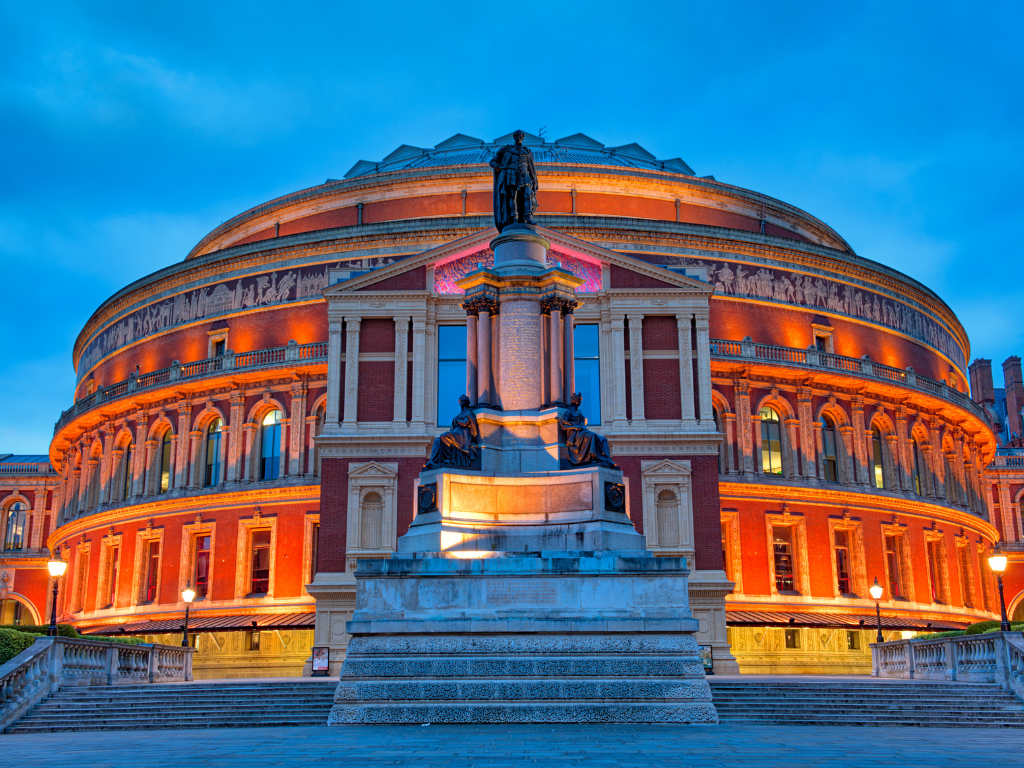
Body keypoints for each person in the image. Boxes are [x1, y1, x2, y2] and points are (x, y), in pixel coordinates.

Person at [490, 130, 538, 232]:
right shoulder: (506, 150)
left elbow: (531, 169)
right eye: (517, 136)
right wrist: (500, 167)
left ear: (523, 137)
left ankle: (528, 218)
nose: (519, 138)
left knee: (527, 194)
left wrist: (535, 181)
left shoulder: (527, 152)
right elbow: (492, 162)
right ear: (514, 137)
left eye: (521, 136)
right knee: (512, 196)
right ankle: (513, 218)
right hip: (511, 175)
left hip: (525, 176)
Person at [558, 392, 617, 468]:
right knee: (592, 436)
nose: (580, 402)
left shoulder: (580, 413)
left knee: (603, 439)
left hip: (583, 432)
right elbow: (563, 426)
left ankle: (608, 460)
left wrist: (581, 428)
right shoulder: (568, 412)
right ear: (574, 400)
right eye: (579, 400)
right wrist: (575, 427)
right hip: (575, 435)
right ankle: (592, 456)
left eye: (580, 400)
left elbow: (583, 426)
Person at [426, 395, 479, 468]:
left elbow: (465, 423)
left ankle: (447, 459)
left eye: (462, 401)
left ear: (466, 402)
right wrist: (454, 422)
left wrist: (456, 420)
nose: (460, 402)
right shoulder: (459, 414)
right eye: (459, 401)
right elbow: (453, 427)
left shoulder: (469, 413)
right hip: (456, 431)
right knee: (437, 440)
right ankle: (433, 461)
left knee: (444, 436)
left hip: (462, 434)